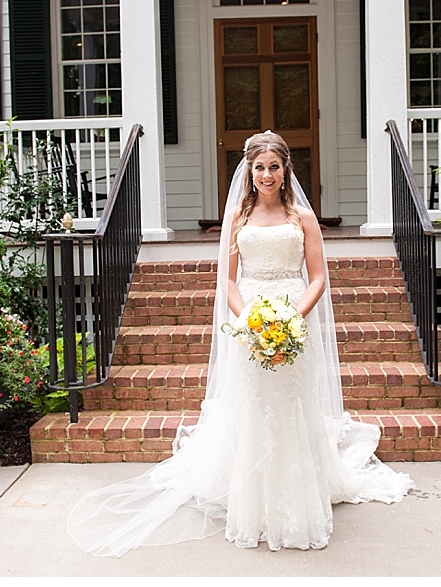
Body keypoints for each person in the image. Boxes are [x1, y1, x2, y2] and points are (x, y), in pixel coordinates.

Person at [67, 131, 414, 556]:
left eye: (274, 166)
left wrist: (291, 319)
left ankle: (296, 494)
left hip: (292, 320)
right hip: (249, 322)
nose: (266, 174)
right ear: (249, 172)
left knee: (290, 404)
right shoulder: (236, 219)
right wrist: (250, 320)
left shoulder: (302, 218)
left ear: (286, 170)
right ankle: (251, 498)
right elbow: (227, 281)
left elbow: (320, 278)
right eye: (259, 167)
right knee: (252, 406)